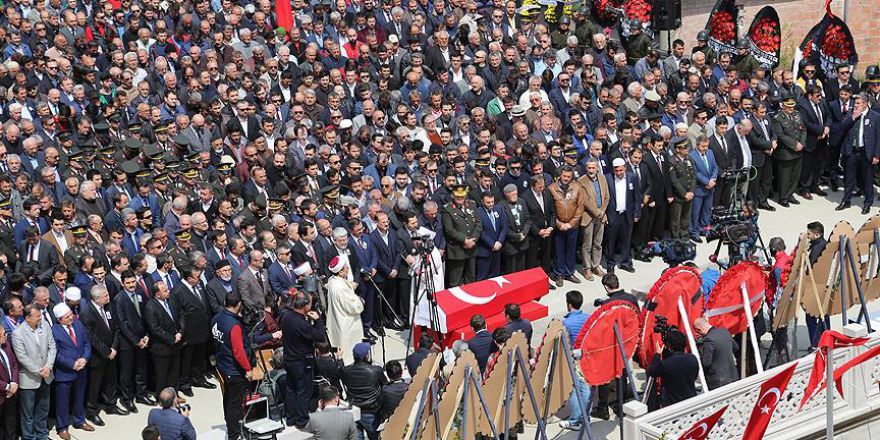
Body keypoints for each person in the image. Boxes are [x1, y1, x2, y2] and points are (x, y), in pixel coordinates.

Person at [79, 284, 128, 426]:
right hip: (97, 356)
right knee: (94, 385)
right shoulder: (87, 313)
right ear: (97, 298)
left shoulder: (109, 307)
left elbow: (116, 328)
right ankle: (92, 411)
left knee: (111, 381)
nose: (108, 297)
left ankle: (111, 405)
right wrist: (106, 351)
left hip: (112, 352)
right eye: (105, 295)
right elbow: (91, 337)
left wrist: (113, 347)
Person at [281, 291, 326, 429]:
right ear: (305, 305)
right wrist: (318, 320)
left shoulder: (286, 317)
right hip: (301, 362)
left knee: (291, 389)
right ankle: (302, 421)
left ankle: (291, 418)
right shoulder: (301, 324)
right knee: (303, 391)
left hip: (289, 358)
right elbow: (320, 336)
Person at [211, 291, 253, 440]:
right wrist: (248, 369)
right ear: (239, 305)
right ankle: (234, 434)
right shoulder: (234, 325)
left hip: (222, 365)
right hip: (233, 369)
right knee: (235, 403)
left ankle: (231, 426)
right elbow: (238, 351)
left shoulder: (216, 318)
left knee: (228, 399)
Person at [12, 304, 56, 440]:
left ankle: (42, 434)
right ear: (27, 318)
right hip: (29, 379)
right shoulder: (18, 333)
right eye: (37, 316)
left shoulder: (45, 325)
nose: (40, 318)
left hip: (47, 375)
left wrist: (48, 367)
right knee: (28, 413)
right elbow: (22, 357)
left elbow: (52, 346)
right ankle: (29, 437)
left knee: (43, 409)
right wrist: (39, 371)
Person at [51, 303, 93, 439]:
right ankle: (62, 427)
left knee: (79, 397)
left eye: (71, 315)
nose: (71, 318)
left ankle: (79, 420)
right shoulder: (54, 331)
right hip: (65, 372)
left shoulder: (78, 324)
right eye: (67, 316)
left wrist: (85, 359)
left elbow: (87, 342)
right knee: (63, 401)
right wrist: (72, 364)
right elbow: (55, 353)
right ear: (59, 319)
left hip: (81, 368)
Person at [837, 93, 880, 214]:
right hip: (851, 151)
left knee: (867, 179)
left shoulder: (875, 116)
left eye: (858, 103)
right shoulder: (851, 113)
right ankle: (846, 200)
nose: (855, 105)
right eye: (855, 103)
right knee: (849, 178)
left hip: (866, 152)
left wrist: (877, 155)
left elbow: (878, 137)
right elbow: (842, 127)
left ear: (866, 104)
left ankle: (867, 203)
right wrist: (853, 117)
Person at [143, 280, 185, 400]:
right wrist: (173, 338)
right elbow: (155, 329)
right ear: (157, 294)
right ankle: (162, 398)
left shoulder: (171, 300)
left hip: (176, 344)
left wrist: (181, 332)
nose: (168, 291)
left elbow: (181, 315)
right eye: (165, 290)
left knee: (174, 373)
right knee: (162, 375)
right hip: (161, 347)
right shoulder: (150, 307)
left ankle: (174, 395)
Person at [559, 291, 590, 431]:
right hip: (587, 359)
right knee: (585, 389)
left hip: (574, 360)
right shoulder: (588, 318)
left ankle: (575, 421)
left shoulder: (566, 323)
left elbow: (563, 345)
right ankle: (585, 416)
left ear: (569, 304)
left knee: (575, 391)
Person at [341, 342, 386, 440]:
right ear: (366, 356)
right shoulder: (375, 370)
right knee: (375, 437)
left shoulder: (346, 371)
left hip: (354, 410)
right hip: (371, 412)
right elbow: (385, 385)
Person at [549, 166, 585, 284]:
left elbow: (580, 207)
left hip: (572, 226)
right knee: (558, 250)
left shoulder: (577, 187)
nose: (566, 178)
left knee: (571, 250)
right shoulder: (552, 188)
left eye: (569, 177)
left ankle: (569, 272)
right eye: (564, 176)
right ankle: (559, 274)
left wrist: (571, 223)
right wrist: (559, 224)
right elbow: (550, 210)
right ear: (560, 175)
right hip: (558, 226)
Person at [604, 158, 641, 273]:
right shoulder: (608, 178)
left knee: (626, 240)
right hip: (613, 214)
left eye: (621, 170)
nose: (619, 173)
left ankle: (625, 262)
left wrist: (637, 212)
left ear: (625, 167)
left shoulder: (632, 177)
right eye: (616, 171)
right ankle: (610, 263)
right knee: (611, 241)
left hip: (627, 214)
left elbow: (637, 196)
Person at [440, 184, 482, 287]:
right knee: (455, 281)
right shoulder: (447, 209)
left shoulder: (472, 205)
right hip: (457, 250)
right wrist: (464, 240)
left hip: (472, 249)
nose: (460, 198)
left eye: (462, 196)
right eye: (457, 196)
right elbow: (449, 230)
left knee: (471, 278)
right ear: (453, 195)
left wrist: (473, 240)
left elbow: (478, 224)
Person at [326, 256, 365, 364]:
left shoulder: (332, 281)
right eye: (346, 268)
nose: (348, 269)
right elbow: (352, 306)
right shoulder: (340, 287)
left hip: (338, 321)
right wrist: (361, 301)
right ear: (340, 272)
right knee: (348, 353)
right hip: (347, 324)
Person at [646, 329, 699, 408]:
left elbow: (652, 372)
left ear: (669, 346)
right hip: (690, 399)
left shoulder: (666, 363)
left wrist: (657, 354)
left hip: (672, 404)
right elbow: (694, 376)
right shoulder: (692, 358)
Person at [578, 159, 610, 280]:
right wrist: (598, 213)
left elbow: (607, 197)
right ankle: (586, 268)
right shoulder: (581, 181)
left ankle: (596, 265)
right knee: (587, 245)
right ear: (586, 168)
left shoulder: (602, 178)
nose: (591, 170)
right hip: (588, 216)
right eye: (589, 168)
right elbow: (585, 201)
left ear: (597, 168)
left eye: (593, 168)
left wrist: (602, 212)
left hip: (601, 216)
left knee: (598, 243)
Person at [694, 317, 739, 390]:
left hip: (717, 382)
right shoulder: (724, 331)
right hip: (733, 376)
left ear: (700, 330)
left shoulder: (708, 340)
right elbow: (735, 347)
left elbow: (706, 363)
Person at [805, 221, 830, 349]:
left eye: (809, 233)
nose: (807, 235)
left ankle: (815, 345)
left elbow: (810, 270)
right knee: (824, 315)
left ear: (817, 234)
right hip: (823, 286)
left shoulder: (816, 249)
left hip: (815, 288)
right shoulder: (824, 244)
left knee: (810, 317)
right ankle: (827, 340)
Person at [0, 324, 21, 440]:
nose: (6, 336)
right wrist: (7, 387)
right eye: (4, 334)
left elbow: (14, 364)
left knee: (11, 423)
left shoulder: (7, 345)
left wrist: (14, 383)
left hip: (11, 392)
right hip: (3, 392)